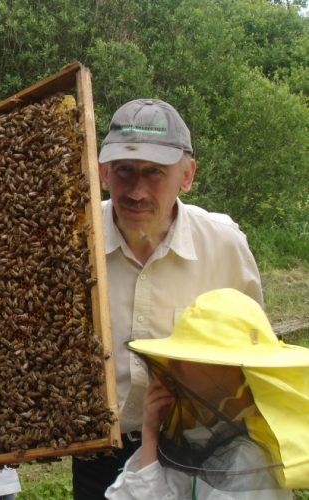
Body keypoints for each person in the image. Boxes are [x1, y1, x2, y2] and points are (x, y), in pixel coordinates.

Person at [71, 98, 263, 499]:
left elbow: (254, 355)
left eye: (154, 172)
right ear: (103, 172)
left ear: (187, 175)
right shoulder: (72, 238)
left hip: (197, 452)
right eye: (124, 170)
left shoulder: (223, 245)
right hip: (98, 451)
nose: (137, 190)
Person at [106, 288, 309, 498]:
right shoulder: (211, 430)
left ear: (227, 368)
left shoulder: (247, 461)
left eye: (185, 357)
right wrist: (150, 433)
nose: (171, 367)